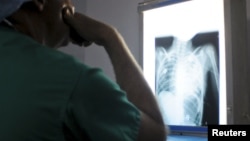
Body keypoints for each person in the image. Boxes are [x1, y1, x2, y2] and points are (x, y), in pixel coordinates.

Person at [0, 0, 168, 141]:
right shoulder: (70, 79)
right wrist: (110, 36)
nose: (72, 7)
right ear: (40, 1)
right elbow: (155, 134)